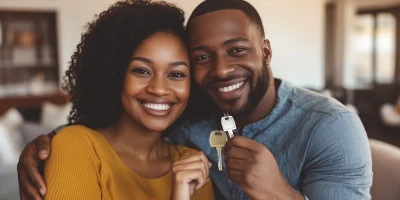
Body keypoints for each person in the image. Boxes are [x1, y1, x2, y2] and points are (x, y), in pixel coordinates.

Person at [17, 0, 373, 199]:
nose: (220, 70)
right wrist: (43, 147)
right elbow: (102, 137)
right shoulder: (193, 118)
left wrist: (278, 192)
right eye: (202, 58)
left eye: (237, 50)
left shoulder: (329, 126)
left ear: (265, 51)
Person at [22, 1, 216, 200]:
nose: (159, 89)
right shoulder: (76, 146)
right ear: (113, 75)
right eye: (141, 71)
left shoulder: (193, 164)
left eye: (176, 74)